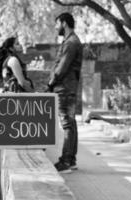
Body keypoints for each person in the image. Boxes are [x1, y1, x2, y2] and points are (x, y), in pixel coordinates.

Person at [46, 12, 83, 173]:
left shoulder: (71, 43)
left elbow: (62, 68)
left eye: (57, 24)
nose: (55, 27)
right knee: (71, 124)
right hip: (68, 88)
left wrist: (50, 83)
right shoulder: (70, 41)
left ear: (64, 23)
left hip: (64, 88)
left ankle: (66, 161)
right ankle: (71, 159)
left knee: (67, 124)